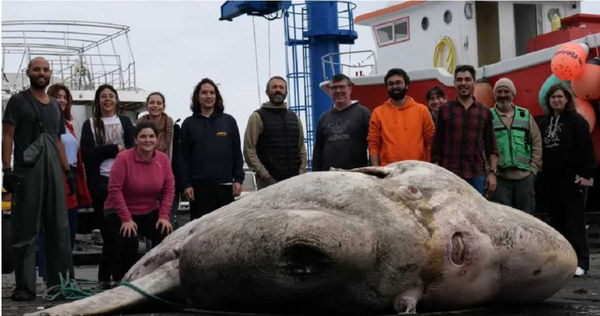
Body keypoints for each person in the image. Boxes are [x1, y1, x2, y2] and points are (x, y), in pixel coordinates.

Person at [2, 57, 74, 301]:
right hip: (27, 170)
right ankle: (24, 286)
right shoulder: (17, 101)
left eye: (45, 70)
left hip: (53, 169)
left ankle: (61, 283)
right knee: (25, 227)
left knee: (59, 227)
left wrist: (68, 171)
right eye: (36, 69)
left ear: (50, 73)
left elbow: (57, 140)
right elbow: (8, 136)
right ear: (28, 72)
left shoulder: (55, 106)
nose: (41, 73)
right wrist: (7, 170)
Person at [104, 121, 174, 278]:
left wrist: (163, 216)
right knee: (129, 240)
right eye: (142, 136)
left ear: (156, 139)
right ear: (135, 140)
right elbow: (114, 190)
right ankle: (123, 279)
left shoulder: (162, 159)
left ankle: (157, 276)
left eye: (151, 136)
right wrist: (126, 219)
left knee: (165, 233)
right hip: (120, 210)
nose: (147, 140)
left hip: (148, 209)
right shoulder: (123, 158)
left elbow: (169, 189)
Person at [538, 83, 595, 277]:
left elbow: (588, 153)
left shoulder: (577, 121)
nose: (557, 100)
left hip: (574, 181)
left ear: (567, 99)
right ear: (549, 100)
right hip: (552, 182)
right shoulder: (543, 123)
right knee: (558, 223)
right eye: (553, 97)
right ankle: (564, 262)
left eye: (560, 97)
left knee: (576, 222)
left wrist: (585, 180)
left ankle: (582, 263)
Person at [81, 84, 134, 289]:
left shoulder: (125, 121)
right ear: (98, 101)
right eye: (103, 96)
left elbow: (131, 150)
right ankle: (107, 276)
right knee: (107, 232)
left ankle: (118, 276)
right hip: (100, 183)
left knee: (123, 231)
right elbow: (87, 154)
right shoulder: (90, 124)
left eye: (111, 96)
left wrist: (109, 151)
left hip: (124, 181)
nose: (107, 99)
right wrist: (113, 149)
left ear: (117, 100)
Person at [179, 78, 244, 220]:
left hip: (225, 187)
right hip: (198, 190)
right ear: (197, 97)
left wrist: (238, 179)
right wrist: (186, 184)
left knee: (225, 231)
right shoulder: (188, 124)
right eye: (204, 93)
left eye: (212, 93)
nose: (208, 96)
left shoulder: (229, 121)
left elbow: (237, 153)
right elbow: (183, 158)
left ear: (216, 96)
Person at [431, 65, 499, 195]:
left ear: (474, 81)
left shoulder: (484, 112)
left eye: (467, 79)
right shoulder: (444, 110)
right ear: (454, 83)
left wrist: (492, 174)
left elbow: (492, 147)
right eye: (460, 80)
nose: (463, 83)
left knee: (476, 214)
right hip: (450, 175)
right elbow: (436, 146)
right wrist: (437, 174)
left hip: (477, 175)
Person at [48, 83, 93, 248]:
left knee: (70, 223)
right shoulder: (46, 123)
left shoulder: (68, 125)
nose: (62, 100)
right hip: (56, 176)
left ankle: (67, 266)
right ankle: (52, 269)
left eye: (64, 97)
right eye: (57, 96)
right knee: (56, 224)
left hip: (71, 177)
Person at [488, 78, 542, 214]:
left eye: (507, 91)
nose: (503, 95)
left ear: (513, 94)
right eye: (499, 91)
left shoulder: (525, 115)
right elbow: (483, 146)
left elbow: (536, 142)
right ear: (495, 95)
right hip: (499, 179)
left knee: (527, 220)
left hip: (525, 179)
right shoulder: (488, 116)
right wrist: (489, 171)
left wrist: (533, 170)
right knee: (502, 219)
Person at [244, 76, 307, 188]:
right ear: (267, 92)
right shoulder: (257, 117)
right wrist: (264, 174)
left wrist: (301, 173)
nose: (278, 90)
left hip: (294, 181)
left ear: (286, 92)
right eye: (274, 87)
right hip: (267, 182)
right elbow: (249, 149)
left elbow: (301, 148)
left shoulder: (294, 118)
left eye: (281, 87)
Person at [368, 68, 435, 166]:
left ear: (407, 85)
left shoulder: (422, 110)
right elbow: (373, 144)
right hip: (389, 172)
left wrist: (430, 167)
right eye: (390, 84)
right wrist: (376, 170)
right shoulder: (377, 113)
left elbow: (431, 141)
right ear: (387, 87)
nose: (395, 86)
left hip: (418, 170)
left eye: (398, 82)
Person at [137, 92, 181, 226]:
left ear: (163, 106)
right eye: (152, 102)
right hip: (145, 182)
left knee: (166, 221)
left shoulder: (174, 128)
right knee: (149, 224)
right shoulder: (139, 127)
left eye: (158, 103)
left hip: (168, 182)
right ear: (147, 105)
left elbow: (178, 156)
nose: (155, 105)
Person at [312, 74, 371, 171]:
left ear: (350, 89)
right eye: (334, 88)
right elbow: (318, 150)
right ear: (330, 91)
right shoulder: (324, 117)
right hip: (329, 176)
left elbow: (373, 145)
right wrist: (315, 174)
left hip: (356, 175)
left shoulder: (363, 113)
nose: (338, 91)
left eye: (342, 87)